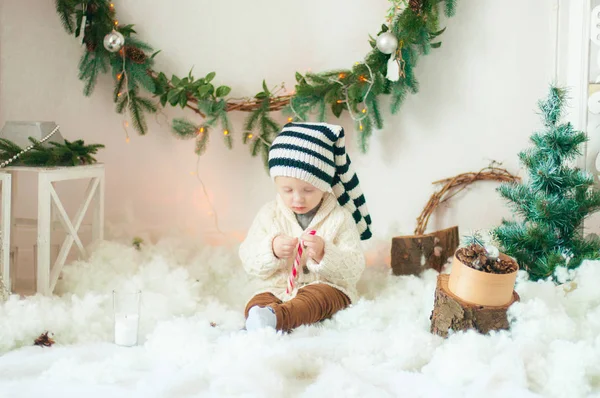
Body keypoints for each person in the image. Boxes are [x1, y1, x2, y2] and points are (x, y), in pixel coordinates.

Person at [239, 122, 372, 332]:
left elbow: (354, 268)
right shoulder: (269, 214)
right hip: (277, 287)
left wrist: (323, 254)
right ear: (276, 185)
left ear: (324, 183)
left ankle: (277, 319)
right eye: (288, 190)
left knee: (316, 300)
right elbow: (248, 259)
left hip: (325, 288)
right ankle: (261, 316)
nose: (298, 198)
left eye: (308, 190)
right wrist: (271, 250)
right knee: (257, 300)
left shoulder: (340, 217)